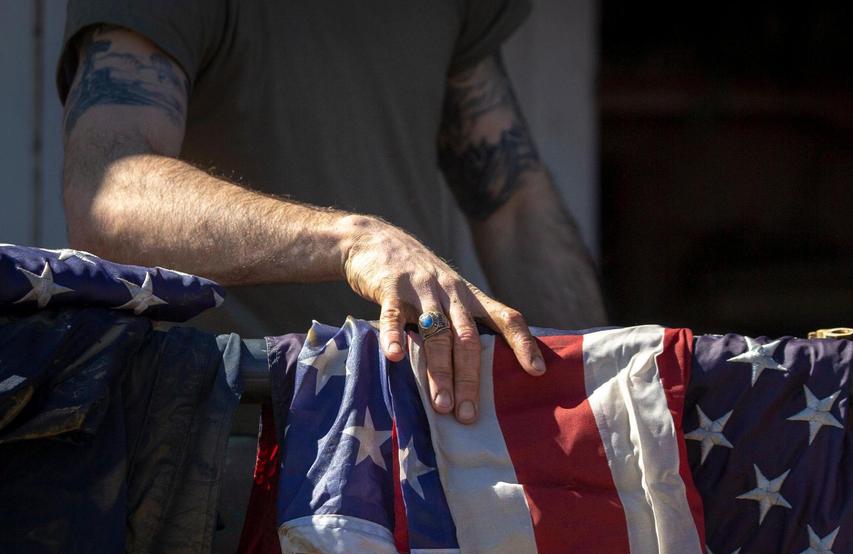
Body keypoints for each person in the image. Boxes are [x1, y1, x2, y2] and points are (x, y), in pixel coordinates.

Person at [57, 0, 607, 426]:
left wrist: (603, 391)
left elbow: (512, 203)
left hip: (424, 437)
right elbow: (108, 194)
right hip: (226, 450)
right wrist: (352, 243)